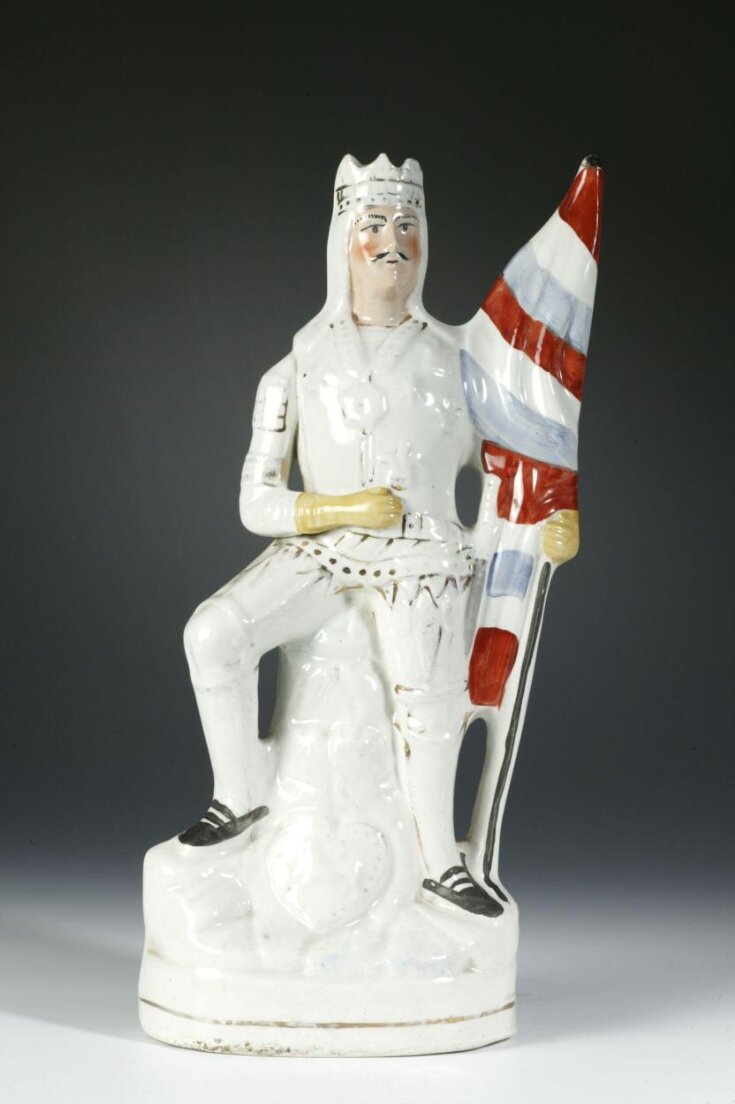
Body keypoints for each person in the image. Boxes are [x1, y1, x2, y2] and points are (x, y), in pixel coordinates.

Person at [178, 154, 574, 918]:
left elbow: (508, 471)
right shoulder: (296, 366)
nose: (391, 242)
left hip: (423, 556)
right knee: (213, 633)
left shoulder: (458, 365)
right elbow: (256, 501)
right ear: (341, 239)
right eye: (372, 225)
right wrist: (338, 509)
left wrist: (533, 528)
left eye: (405, 225)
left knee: (428, 697)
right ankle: (238, 793)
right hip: (322, 548)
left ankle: (438, 860)